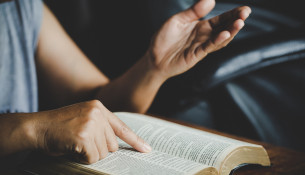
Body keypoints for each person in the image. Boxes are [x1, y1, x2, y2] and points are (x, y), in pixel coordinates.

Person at [0, 0, 251, 164]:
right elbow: (45, 126)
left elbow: (100, 103)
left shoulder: (21, 8)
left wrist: (153, 68)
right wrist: (34, 129)